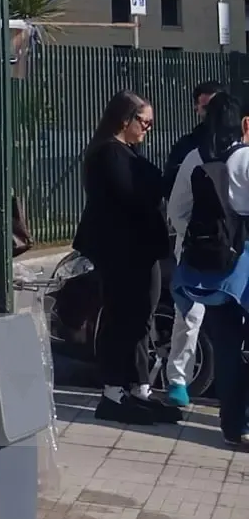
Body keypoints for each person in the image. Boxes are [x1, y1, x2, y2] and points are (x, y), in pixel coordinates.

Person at [74, 91, 179, 424]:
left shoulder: (127, 153)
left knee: (140, 320)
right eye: (144, 121)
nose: (147, 128)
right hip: (122, 254)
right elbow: (132, 194)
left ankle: (138, 388)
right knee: (123, 320)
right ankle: (114, 392)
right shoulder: (109, 154)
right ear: (125, 119)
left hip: (138, 252)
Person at [169, 92, 249, 446]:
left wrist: (205, 243)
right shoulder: (246, 159)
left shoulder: (194, 158)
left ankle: (233, 423)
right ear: (244, 124)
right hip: (246, 263)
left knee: (227, 347)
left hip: (216, 270)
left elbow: (176, 211)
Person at [162, 81, 225, 406]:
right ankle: (179, 380)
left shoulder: (195, 154)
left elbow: (176, 207)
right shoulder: (191, 149)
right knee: (192, 315)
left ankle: (178, 383)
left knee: (188, 314)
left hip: (197, 244)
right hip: (214, 247)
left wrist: (191, 232)